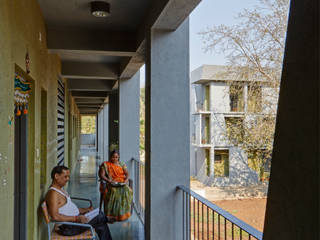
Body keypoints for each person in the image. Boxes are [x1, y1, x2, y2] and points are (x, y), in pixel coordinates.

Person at [45, 165, 113, 239]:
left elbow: (67, 209)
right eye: (65, 176)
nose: (67, 179)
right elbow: (55, 216)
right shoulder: (53, 193)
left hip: (74, 223)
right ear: (56, 176)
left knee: (100, 222)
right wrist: (76, 218)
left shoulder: (60, 190)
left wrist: (85, 210)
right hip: (68, 227)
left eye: (68, 176)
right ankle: (106, 218)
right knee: (100, 216)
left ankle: (105, 218)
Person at [99, 150, 133, 221]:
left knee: (127, 191)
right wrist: (109, 180)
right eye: (113, 157)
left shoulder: (121, 164)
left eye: (116, 157)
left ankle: (122, 215)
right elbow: (102, 175)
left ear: (118, 157)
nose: (115, 159)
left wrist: (126, 180)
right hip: (111, 184)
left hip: (121, 183)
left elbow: (127, 174)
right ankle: (111, 215)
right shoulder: (106, 164)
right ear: (110, 157)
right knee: (114, 192)